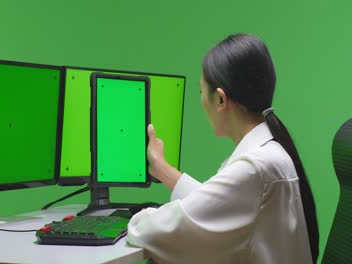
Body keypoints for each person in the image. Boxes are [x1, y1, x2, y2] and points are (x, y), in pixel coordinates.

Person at [126, 33, 319, 264]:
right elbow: (217, 205)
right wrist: (161, 167)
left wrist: (137, 217)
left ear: (220, 100)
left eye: (201, 91)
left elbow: (151, 232)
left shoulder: (255, 168)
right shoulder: (268, 154)